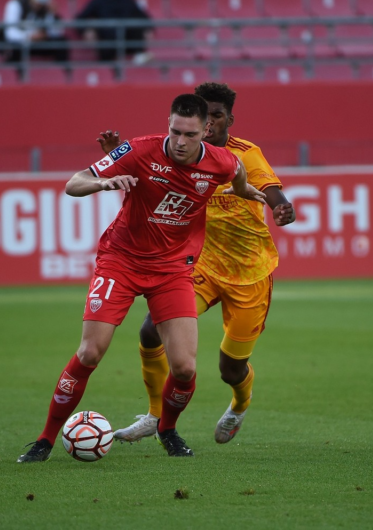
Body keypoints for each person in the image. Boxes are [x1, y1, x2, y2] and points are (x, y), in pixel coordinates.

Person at [17, 94, 267, 463]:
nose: (180, 142)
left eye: (190, 134)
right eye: (175, 131)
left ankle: (167, 429)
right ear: (168, 124)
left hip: (171, 270)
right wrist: (104, 184)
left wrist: (245, 192)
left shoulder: (223, 162)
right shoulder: (137, 150)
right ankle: (44, 440)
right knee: (90, 353)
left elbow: (238, 174)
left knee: (184, 368)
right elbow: (74, 183)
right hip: (121, 262)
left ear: (206, 130)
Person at [99, 83, 296, 446]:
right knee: (150, 332)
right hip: (199, 267)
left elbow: (269, 189)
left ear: (227, 120)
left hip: (249, 272)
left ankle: (239, 403)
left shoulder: (244, 154)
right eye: (205, 118)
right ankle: (155, 416)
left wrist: (281, 205)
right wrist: (119, 160)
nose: (209, 126)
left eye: (217, 117)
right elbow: (148, 183)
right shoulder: (180, 153)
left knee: (230, 368)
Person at [75, 0, 152, 63]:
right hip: (106, 38)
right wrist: (86, 30)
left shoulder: (129, 1)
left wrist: (148, 29)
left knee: (135, 26)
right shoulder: (97, 1)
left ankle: (139, 56)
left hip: (127, 38)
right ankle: (106, 71)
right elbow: (80, 18)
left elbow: (144, 17)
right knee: (104, 44)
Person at [0, 0, 69, 63]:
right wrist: (29, 36)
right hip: (21, 43)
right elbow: (10, 33)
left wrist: (51, 15)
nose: (39, 4)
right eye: (38, 0)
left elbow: (57, 33)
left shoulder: (46, 8)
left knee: (61, 43)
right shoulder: (15, 4)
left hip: (37, 43)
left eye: (42, 2)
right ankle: (13, 75)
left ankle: (61, 73)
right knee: (14, 49)